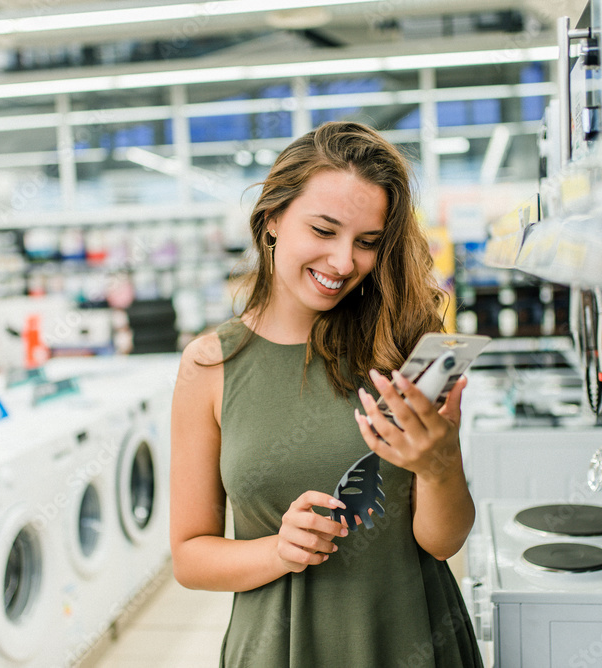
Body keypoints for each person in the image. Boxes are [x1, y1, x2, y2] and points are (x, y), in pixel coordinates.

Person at [170, 121, 483, 667]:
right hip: (276, 650)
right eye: (323, 230)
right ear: (272, 220)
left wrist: (440, 464)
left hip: (407, 639)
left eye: (367, 242)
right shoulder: (210, 365)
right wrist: (279, 549)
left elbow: (442, 542)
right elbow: (190, 557)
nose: (343, 263)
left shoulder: (403, 351)